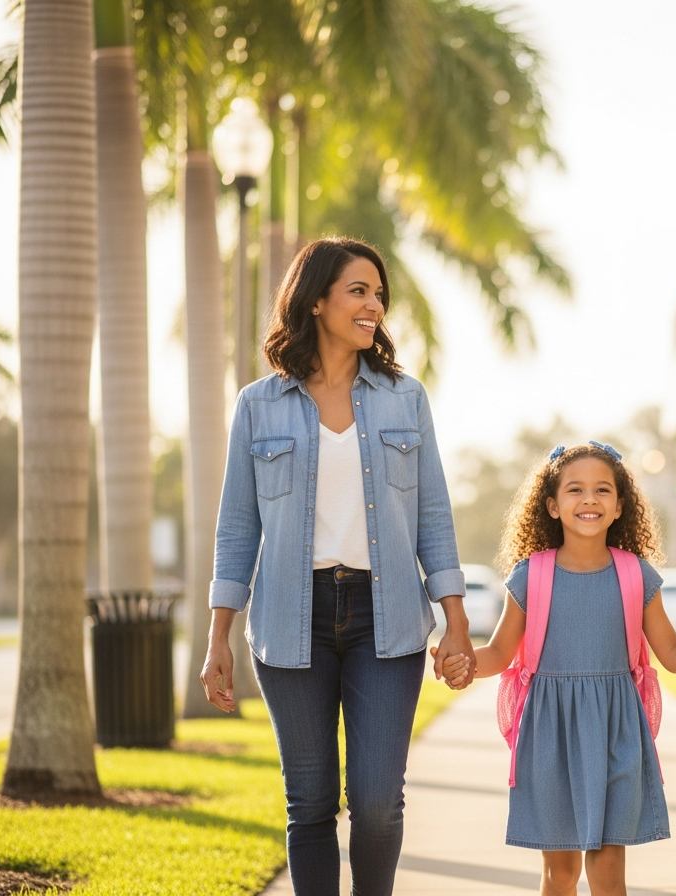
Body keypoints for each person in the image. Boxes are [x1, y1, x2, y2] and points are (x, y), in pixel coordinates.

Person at [199, 237, 475, 896]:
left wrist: (457, 622)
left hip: (390, 624)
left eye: (379, 293)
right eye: (359, 291)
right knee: (312, 804)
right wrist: (218, 638)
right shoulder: (257, 406)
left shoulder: (405, 400)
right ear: (316, 301)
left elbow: (433, 517)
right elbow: (238, 528)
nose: (374, 305)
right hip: (291, 622)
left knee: (378, 804)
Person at [436, 442, 676, 896]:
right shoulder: (530, 575)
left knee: (608, 873)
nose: (589, 499)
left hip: (616, 735)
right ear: (552, 506)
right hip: (551, 738)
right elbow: (500, 653)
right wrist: (464, 665)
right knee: (560, 875)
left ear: (620, 506)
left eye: (602, 490)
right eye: (575, 489)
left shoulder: (637, 575)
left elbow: (673, 652)